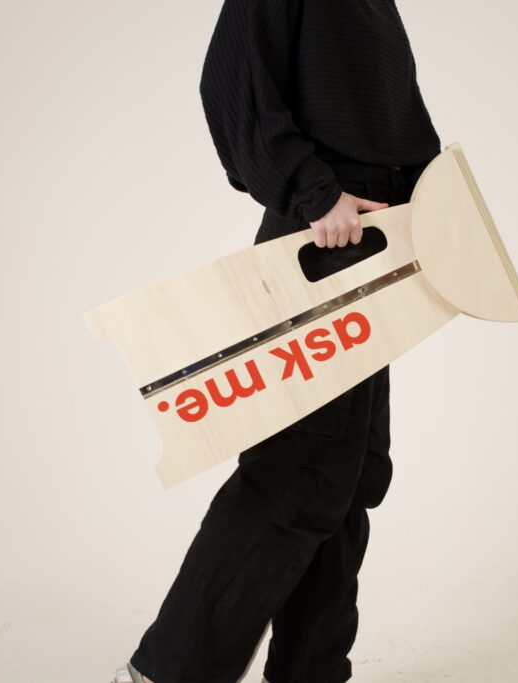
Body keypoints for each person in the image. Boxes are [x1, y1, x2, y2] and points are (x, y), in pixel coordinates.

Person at [113, 1, 441, 681]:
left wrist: (430, 210)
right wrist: (314, 192)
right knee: (298, 469)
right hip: (327, 235)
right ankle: (167, 673)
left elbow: (386, 112)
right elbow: (231, 76)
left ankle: (312, 672)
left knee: (349, 475)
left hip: (377, 240)